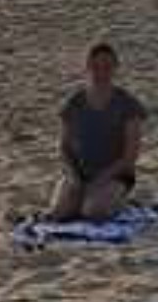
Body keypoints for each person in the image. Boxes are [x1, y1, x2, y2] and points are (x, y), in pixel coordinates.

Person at [50, 42, 149, 221]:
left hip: (115, 175)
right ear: (87, 67)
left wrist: (102, 178)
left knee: (93, 212)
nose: (101, 72)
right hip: (80, 173)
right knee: (60, 213)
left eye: (107, 67)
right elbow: (64, 148)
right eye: (95, 66)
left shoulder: (128, 104)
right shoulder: (74, 102)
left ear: (115, 68)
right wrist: (73, 176)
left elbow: (130, 158)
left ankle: (121, 200)